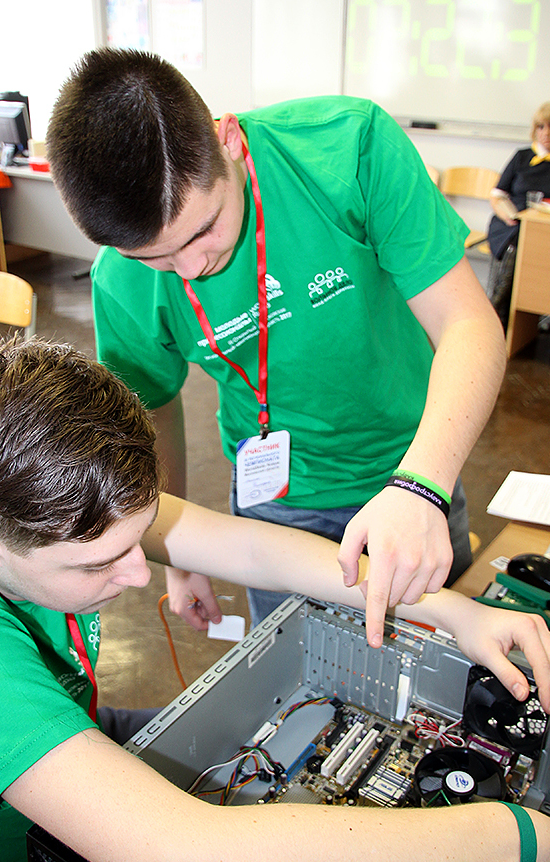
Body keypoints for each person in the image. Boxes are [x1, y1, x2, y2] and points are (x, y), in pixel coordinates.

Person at [0, 338, 550, 862]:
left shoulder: (13, 472)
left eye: (139, 540)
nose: (138, 574)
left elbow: (248, 547)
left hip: (78, 719)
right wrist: (514, 840)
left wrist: (453, 612)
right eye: (99, 564)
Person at [45, 48, 508, 643]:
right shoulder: (119, 280)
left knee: (446, 655)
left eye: (203, 229)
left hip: (417, 459)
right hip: (277, 502)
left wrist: (422, 486)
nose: (192, 268)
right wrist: (177, 551)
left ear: (229, 142)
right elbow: (150, 409)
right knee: (304, 675)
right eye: (153, 257)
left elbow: (468, 324)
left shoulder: (348, 149)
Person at [487, 100, 550, 328]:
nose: (546, 133)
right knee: (517, 239)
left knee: (528, 242)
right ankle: (501, 308)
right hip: (510, 223)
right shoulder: (522, 156)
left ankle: (500, 307)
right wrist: (508, 215)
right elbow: (497, 195)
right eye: (540, 127)